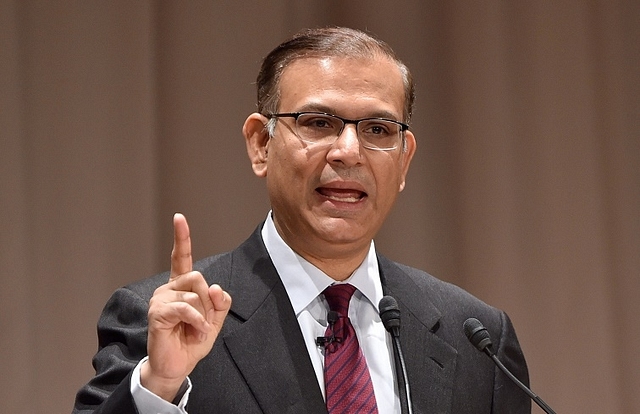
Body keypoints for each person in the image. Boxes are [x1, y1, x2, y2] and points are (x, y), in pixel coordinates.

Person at [73, 27, 531, 414]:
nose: (348, 152)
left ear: (404, 160)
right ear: (260, 144)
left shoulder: (477, 340)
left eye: (377, 130)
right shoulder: (164, 322)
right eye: (318, 122)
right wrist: (160, 385)